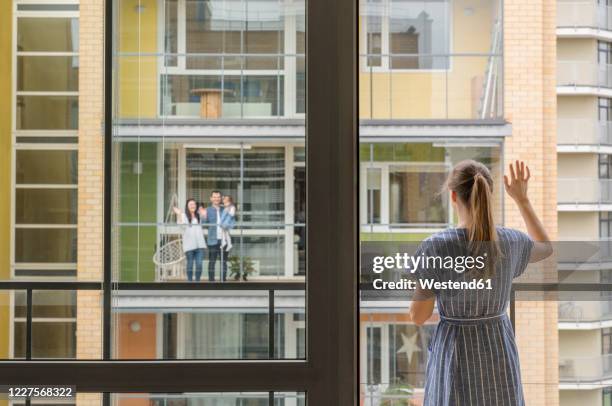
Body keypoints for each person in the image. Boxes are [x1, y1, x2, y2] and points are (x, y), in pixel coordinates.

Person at [409, 160, 553, 406]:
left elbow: (419, 316)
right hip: (497, 349)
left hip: (454, 352)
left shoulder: (436, 246)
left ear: (453, 196)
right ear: (489, 194)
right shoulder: (509, 241)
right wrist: (522, 200)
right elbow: (546, 248)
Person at [173, 198, 206, 282]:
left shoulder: (199, 216)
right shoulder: (184, 215)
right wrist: (179, 214)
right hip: (189, 245)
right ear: (187, 206)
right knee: (190, 265)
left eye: (194, 204)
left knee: (199, 265)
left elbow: (206, 221)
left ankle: (197, 282)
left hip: (200, 245)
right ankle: (190, 282)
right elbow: (181, 226)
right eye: (190, 204)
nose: (193, 205)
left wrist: (204, 214)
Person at [199, 190, 228, 281]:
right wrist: (203, 216)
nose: (216, 199)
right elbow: (203, 225)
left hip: (224, 240)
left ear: (221, 198)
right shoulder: (207, 210)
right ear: (211, 199)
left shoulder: (225, 209)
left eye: (218, 197)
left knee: (224, 262)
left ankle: (223, 281)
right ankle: (211, 282)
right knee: (212, 261)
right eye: (214, 197)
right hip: (212, 240)